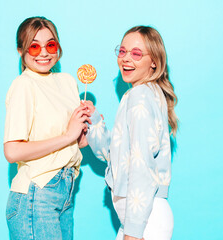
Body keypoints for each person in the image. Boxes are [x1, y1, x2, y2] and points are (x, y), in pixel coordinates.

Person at [84, 26, 178, 240]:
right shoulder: (142, 94)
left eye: (136, 54)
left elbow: (141, 165)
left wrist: (133, 233)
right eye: (122, 51)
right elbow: (117, 155)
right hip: (142, 218)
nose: (126, 59)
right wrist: (94, 122)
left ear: (154, 60)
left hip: (144, 220)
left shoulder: (140, 96)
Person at [3, 16, 90, 240]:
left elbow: (75, 142)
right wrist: (68, 135)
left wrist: (84, 131)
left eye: (50, 45)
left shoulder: (68, 82)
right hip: (37, 193)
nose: (44, 53)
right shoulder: (24, 85)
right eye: (34, 46)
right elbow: (12, 151)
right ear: (20, 50)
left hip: (66, 190)